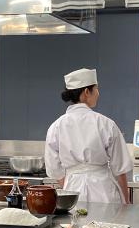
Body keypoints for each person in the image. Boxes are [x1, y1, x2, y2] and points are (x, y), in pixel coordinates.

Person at [45, 68, 132, 203]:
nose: (98, 93)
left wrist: (71, 184)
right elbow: (120, 168)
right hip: (104, 192)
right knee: (106, 218)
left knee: (75, 217)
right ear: (86, 92)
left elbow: (53, 168)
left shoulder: (56, 127)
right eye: (96, 89)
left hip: (72, 192)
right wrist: (126, 201)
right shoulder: (106, 124)